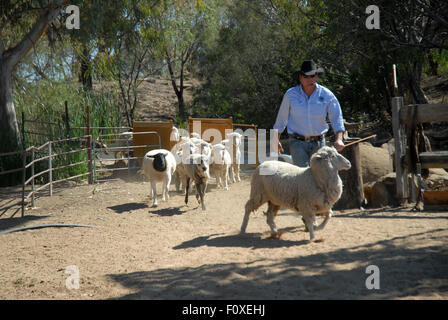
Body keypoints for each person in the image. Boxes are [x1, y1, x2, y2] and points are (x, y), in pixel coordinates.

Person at [273, 60, 345, 167]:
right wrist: (275, 139)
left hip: (319, 143)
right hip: (297, 143)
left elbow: (337, 118)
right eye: (306, 76)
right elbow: (281, 120)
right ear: (300, 77)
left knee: (320, 176)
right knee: (302, 176)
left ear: (316, 76)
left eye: (312, 76)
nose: (310, 79)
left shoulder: (327, 95)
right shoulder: (290, 94)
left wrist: (339, 139)